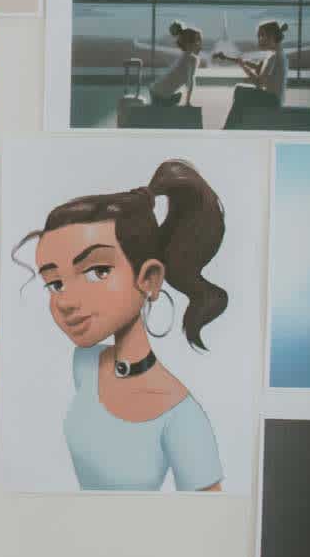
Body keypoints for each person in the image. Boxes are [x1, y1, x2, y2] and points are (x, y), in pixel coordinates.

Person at [14, 157, 229, 492]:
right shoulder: (84, 365)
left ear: (150, 278)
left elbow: (208, 527)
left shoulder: (183, 417)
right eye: (55, 283)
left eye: (97, 271)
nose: (66, 301)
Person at [228, 18, 290, 124]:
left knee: (240, 91)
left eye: (262, 36)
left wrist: (243, 66)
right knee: (240, 92)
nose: (259, 40)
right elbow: (262, 71)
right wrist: (246, 63)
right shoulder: (278, 54)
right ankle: (233, 126)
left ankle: (230, 127)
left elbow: (259, 83)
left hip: (271, 100)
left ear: (271, 36)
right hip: (275, 99)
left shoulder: (273, 56)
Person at [147, 21, 202, 108]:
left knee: (178, 96)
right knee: (178, 97)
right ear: (189, 44)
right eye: (198, 42)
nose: (200, 46)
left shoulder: (183, 56)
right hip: (161, 95)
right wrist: (187, 103)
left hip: (154, 90)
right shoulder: (192, 59)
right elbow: (190, 82)